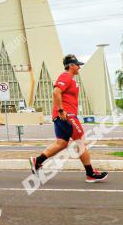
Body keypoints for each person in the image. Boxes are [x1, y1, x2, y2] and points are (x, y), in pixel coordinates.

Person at [30, 54, 108, 183]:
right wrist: (61, 110)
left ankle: (37, 161)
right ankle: (90, 174)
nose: (79, 67)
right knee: (81, 142)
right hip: (67, 115)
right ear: (71, 65)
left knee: (61, 143)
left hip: (63, 115)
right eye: (78, 65)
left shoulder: (71, 79)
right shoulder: (66, 76)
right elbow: (56, 92)